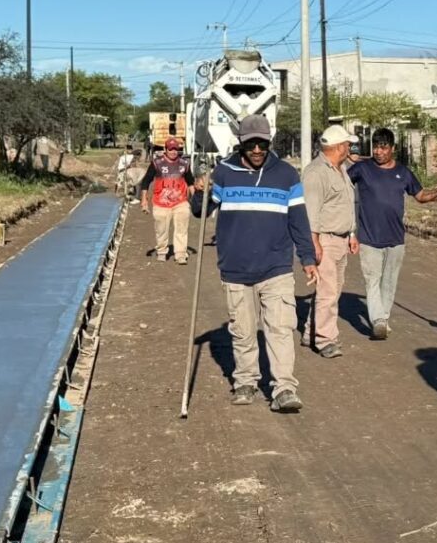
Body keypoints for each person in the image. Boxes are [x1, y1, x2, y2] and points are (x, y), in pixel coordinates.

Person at [190, 114, 318, 413]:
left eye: (262, 143)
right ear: (241, 144)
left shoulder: (286, 174)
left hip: (276, 266)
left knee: (280, 329)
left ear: (269, 142)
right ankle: (245, 381)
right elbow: (201, 212)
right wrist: (199, 191)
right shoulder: (224, 172)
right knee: (243, 330)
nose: (257, 150)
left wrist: (308, 258)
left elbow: (299, 220)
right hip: (235, 268)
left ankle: (284, 388)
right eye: (251, 144)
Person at [348, 128, 437, 339]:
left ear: (392, 148)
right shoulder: (362, 169)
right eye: (375, 147)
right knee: (372, 280)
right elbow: (341, 183)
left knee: (389, 282)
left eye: (383, 147)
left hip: (395, 238)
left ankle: (383, 318)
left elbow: (420, 196)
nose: (378, 152)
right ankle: (378, 320)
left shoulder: (403, 173)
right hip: (368, 238)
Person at [301, 125, 360, 358]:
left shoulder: (341, 169)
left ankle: (311, 332)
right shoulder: (316, 173)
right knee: (328, 292)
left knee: (331, 290)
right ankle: (325, 340)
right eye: (347, 144)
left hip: (341, 239)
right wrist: (314, 243)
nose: (349, 148)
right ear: (338, 147)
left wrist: (352, 234)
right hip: (324, 239)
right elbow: (311, 212)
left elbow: (346, 205)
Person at [139, 137, 194, 264]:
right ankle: (162, 251)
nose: (173, 152)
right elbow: (146, 181)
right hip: (161, 203)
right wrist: (144, 200)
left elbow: (190, 182)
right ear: (166, 149)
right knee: (161, 230)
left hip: (180, 202)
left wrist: (197, 200)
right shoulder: (157, 163)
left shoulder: (184, 164)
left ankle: (180, 254)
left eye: (176, 149)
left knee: (181, 228)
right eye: (171, 149)